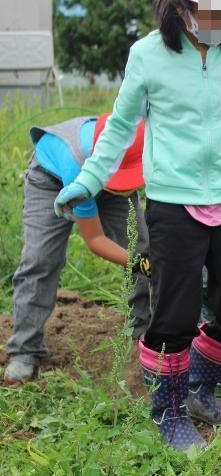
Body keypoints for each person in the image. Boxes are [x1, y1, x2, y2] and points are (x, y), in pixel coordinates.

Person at [53, 0, 221, 451]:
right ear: (185, 6)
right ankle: (171, 411)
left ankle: (202, 390)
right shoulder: (147, 55)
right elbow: (121, 126)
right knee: (174, 316)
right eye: (219, 10)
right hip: (173, 201)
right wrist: (89, 180)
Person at [3, 113, 150, 385]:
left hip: (112, 172)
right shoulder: (75, 164)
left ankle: (145, 332)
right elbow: (95, 240)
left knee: (142, 244)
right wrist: (141, 263)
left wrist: (145, 258)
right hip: (53, 178)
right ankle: (25, 351)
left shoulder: (136, 140)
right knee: (40, 260)